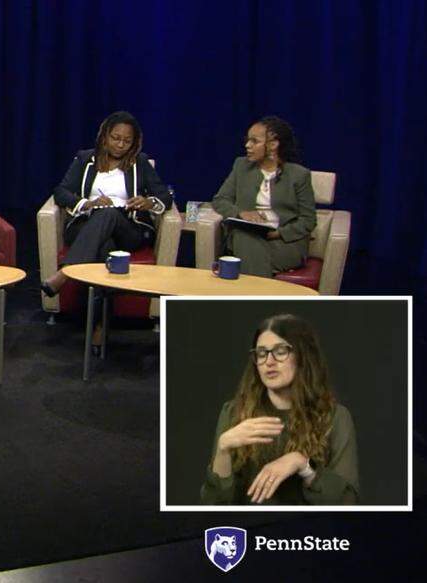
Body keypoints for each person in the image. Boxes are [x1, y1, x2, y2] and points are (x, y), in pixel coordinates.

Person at [201, 314, 359, 505]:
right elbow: (211, 506)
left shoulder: (335, 417)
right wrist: (223, 449)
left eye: (280, 351)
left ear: (303, 356)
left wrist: (303, 465)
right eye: (261, 353)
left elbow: (348, 503)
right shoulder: (234, 412)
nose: (269, 361)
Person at [40, 111, 170, 298]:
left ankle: (66, 272)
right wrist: (88, 203)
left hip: (128, 229)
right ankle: (99, 321)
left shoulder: (139, 162)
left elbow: (165, 196)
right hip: (86, 225)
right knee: (104, 247)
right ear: (104, 136)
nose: (120, 145)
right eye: (116, 138)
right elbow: (61, 192)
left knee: (108, 213)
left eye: (127, 141)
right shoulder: (85, 160)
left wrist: (148, 202)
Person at [210, 116, 316, 277]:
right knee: (244, 237)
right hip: (246, 235)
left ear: (273, 144)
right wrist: (241, 213)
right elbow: (220, 200)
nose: (247, 145)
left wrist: (279, 233)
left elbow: (308, 220)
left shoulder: (299, 175)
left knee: (245, 253)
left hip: (284, 243)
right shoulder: (241, 166)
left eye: (254, 141)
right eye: (247, 140)